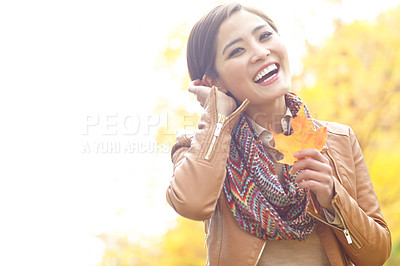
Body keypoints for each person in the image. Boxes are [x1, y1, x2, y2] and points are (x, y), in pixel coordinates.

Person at [166, 3, 391, 265]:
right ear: (214, 81)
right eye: (237, 50)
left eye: (265, 36)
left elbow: (376, 255)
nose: (261, 53)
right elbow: (191, 204)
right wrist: (217, 115)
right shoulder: (200, 150)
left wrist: (333, 197)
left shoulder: (339, 139)